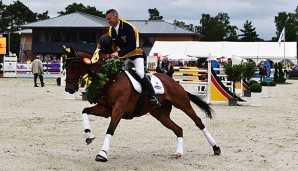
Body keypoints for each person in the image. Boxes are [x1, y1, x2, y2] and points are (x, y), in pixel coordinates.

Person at [105, 9, 161, 108]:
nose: (108, 21)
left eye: (109, 19)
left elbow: (132, 46)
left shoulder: (129, 27)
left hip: (136, 55)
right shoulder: (111, 30)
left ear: (116, 17)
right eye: (107, 19)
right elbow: (112, 45)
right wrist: (102, 47)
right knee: (118, 74)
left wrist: (118, 53)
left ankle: (153, 96)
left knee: (140, 73)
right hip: (124, 56)